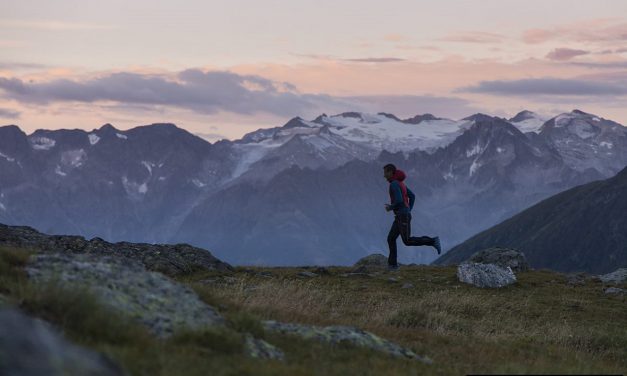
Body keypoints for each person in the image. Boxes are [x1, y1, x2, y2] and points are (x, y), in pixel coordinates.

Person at [383, 163, 441, 271]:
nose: (384, 175)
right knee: (391, 238)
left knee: (407, 241)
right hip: (401, 215)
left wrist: (391, 207)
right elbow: (412, 196)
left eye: (385, 173)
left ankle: (433, 241)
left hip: (402, 216)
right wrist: (408, 209)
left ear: (391, 172)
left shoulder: (394, 184)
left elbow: (399, 201)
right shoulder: (401, 183)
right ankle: (392, 266)